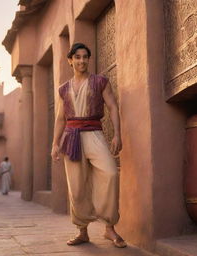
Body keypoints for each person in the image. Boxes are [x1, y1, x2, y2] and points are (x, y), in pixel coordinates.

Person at [51, 43, 126, 248]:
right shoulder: (63, 89)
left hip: (94, 134)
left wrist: (117, 134)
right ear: (70, 60)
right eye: (77, 57)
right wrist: (55, 143)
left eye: (85, 57)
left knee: (110, 173)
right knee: (76, 186)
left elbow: (112, 106)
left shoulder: (100, 81)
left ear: (88, 59)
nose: (81, 61)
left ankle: (109, 228)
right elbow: (60, 118)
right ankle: (82, 231)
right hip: (71, 137)